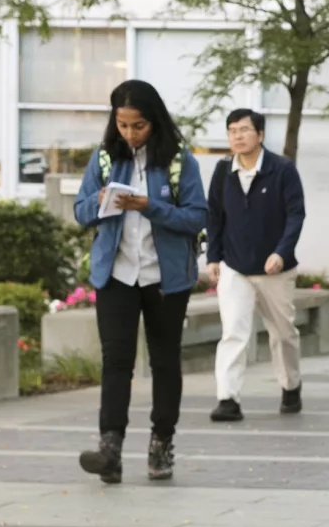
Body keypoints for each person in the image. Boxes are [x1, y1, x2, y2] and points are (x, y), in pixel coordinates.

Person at [71, 80, 209, 485]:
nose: (130, 134)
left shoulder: (181, 161)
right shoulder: (103, 159)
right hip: (116, 274)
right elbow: (80, 212)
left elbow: (196, 216)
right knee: (116, 362)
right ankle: (109, 448)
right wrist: (98, 203)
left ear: (155, 122)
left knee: (165, 362)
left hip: (165, 278)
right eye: (123, 124)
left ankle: (161, 444)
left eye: (138, 126)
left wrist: (151, 206)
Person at [204, 108, 309, 421]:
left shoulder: (282, 170)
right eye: (232, 130)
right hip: (234, 266)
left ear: (260, 135)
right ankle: (228, 399)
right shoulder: (223, 171)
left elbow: (296, 214)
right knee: (233, 332)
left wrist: (281, 252)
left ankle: (291, 386)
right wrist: (213, 256)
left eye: (244, 130)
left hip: (274, 268)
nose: (237, 136)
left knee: (283, 333)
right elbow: (214, 216)